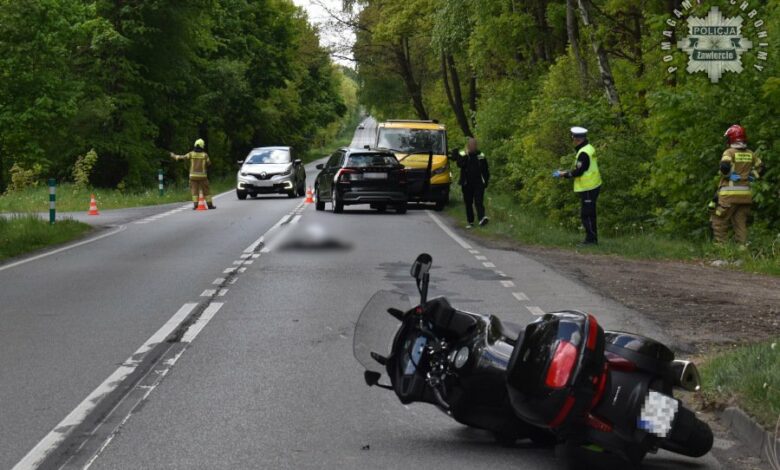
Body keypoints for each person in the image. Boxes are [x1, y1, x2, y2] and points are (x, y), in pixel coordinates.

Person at [711, 124, 764, 245]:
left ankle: (721, 248)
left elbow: (724, 166)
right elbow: (762, 168)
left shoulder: (729, 152)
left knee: (719, 220)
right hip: (745, 196)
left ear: (731, 139)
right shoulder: (751, 153)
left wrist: (728, 175)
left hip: (729, 195)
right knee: (740, 224)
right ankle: (742, 249)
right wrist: (753, 176)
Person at [553, 126, 602, 246]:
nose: (572, 140)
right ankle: (592, 239)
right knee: (589, 214)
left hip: (588, 187)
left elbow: (579, 171)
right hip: (593, 184)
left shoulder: (583, 153)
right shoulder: (588, 147)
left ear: (577, 139)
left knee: (587, 214)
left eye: (573, 138)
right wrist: (567, 172)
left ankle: (591, 240)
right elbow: (583, 168)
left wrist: (564, 174)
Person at [171, 138, 216, 210]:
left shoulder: (191, 154)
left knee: (194, 191)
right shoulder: (205, 155)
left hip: (193, 176)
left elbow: (182, 158)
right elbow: (209, 165)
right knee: (206, 191)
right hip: (203, 177)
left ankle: (195, 206)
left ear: (195, 145)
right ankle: (210, 205)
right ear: (202, 146)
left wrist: (174, 156)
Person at [455, 137, 490, 228]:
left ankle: (482, 218)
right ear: (468, 145)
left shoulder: (480, 155)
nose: (473, 147)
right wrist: (466, 155)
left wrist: (485, 181)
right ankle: (470, 221)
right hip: (466, 183)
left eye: (474, 145)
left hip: (478, 183)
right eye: (471, 145)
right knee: (468, 202)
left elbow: (485, 169)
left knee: (479, 201)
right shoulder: (463, 154)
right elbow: (459, 164)